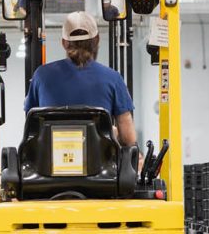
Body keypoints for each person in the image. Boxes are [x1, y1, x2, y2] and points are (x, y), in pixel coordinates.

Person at [24, 10, 136, 147]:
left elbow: (31, 128)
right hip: (100, 167)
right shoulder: (113, 78)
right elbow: (128, 138)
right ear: (97, 40)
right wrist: (112, 132)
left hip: (49, 165)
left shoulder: (41, 75)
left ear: (64, 43)